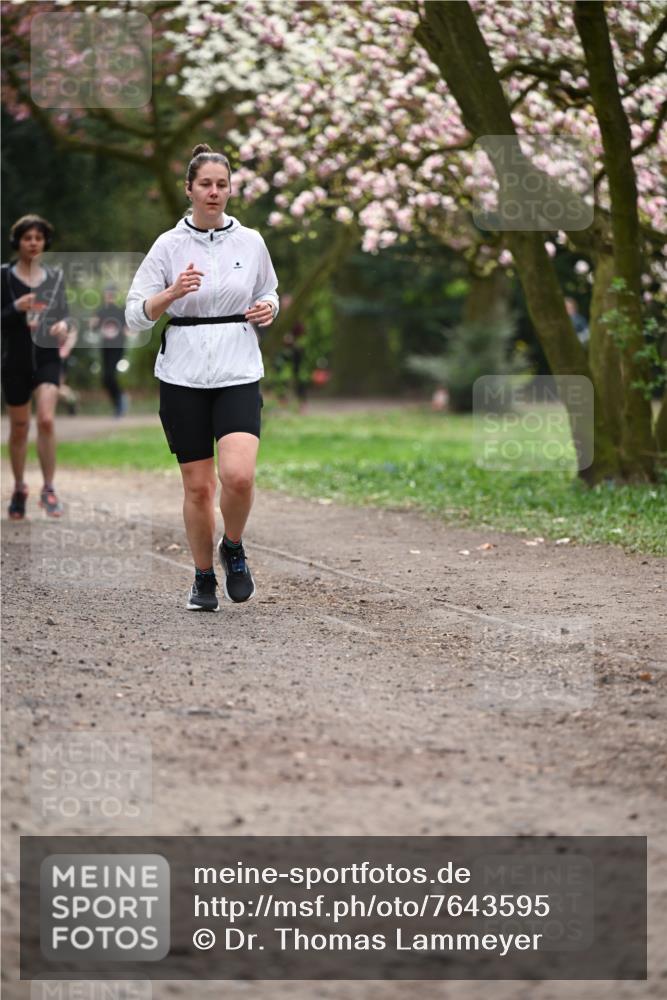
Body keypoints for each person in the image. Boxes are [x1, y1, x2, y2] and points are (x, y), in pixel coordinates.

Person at [125, 143, 279, 611]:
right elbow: (135, 315)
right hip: (183, 374)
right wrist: (170, 293)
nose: (214, 192)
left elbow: (268, 289)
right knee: (198, 487)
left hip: (237, 367)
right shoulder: (169, 246)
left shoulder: (250, 241)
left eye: (222, 185)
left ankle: (232, 546)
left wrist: (268, 308)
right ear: (189, 189)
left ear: (230, 190)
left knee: (238, 477)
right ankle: (201, 577)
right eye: (205, 184)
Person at [1, 214, 70, 519]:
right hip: (14, 360)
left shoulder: (54, 278)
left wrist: (63, 326)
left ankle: (49, 488)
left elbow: (66, 316)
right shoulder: (3, 277)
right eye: (27, 238)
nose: (33, 243)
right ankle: (18, 487)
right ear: (18, 242)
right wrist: (15, 309)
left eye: (38, 238)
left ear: (45, 243)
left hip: (46, 358)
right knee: (19, 427)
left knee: (45, 420)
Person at [91, 284, 129, 417]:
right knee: (105, 379)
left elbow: (128, 329)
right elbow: (93, 328)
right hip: (105, 348)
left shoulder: (120, 311)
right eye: (107, 294)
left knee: (110, 375)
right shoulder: (101, 312)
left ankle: (120, 403)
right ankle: (118, 402)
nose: (109, 296)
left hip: (117, 348)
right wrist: (93, 324)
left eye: (111, 294)